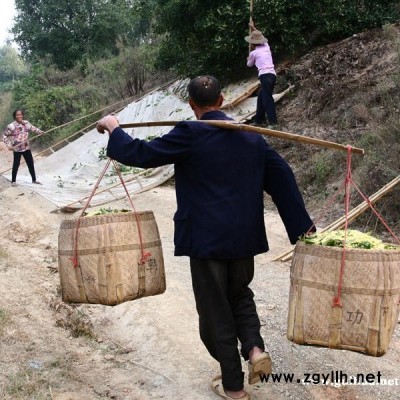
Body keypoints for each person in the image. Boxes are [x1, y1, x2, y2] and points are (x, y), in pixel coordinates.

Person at [97, 76, 314, 400]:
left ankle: (234, 387)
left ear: (191, 104)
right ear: (223, 99)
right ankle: (254, 350)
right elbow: (281, 176)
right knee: (239, 295)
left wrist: (114, 127)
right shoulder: (252, 138)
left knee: (215, 311)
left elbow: (140, 154)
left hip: (206, 239)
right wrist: (303, 231)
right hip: (243, 237)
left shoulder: (189, 133)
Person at [245, 23, 278, 128]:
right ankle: (259, 120)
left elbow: (249, 65)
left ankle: (273, 122)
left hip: (264, 76)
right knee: (261, 96)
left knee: (267, 98)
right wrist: (254, 28)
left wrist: (248, 58)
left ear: (253, 43)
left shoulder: (253, 53)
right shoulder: (266, 47)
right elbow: (262, 36)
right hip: (272, 75)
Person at [3, 109, 44, 186]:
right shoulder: (11, 126)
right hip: (17, 148)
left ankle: (34, 180)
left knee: (30, 163)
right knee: (16, 164)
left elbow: (33, 128)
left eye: (21, 114)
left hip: (26, 147)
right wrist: (9, 145)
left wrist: (40, 132)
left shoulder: (26, 123)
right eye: (18, 115)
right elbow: (4, 135)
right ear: (15, 116)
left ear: (23, 115)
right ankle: (13, 181)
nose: (19, 116)